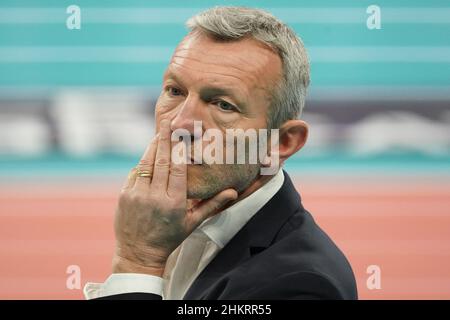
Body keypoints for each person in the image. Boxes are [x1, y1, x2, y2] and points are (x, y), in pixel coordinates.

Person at [84, 6, 357, 300]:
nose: (180, 124)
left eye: (223, 105)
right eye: (175, 91)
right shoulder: (173, 222)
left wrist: (137, 263)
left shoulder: (302, 285)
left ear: (281, 143)